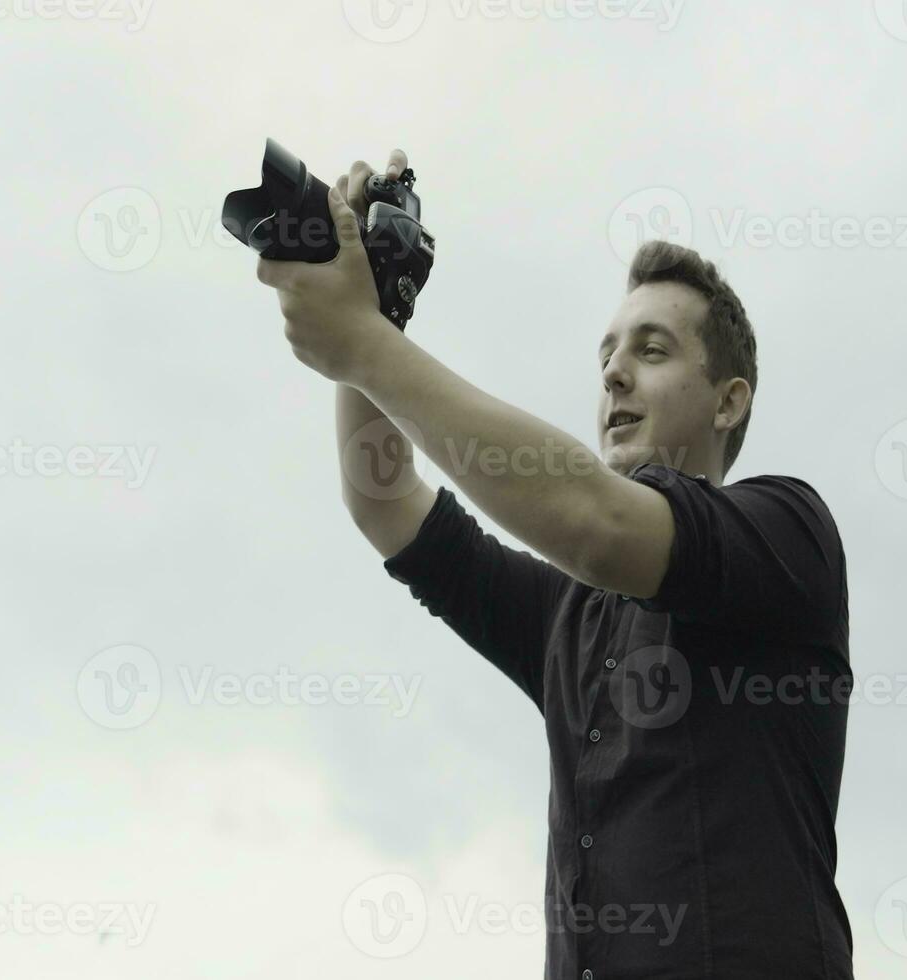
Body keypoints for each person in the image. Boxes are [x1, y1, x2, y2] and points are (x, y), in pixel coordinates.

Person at [254, 149, 855, 979]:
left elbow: (595, 523)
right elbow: (384, 504)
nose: (612, 371)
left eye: (652, 349)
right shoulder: (566, 619)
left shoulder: (790, 535)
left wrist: (359, 344)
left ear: (729, 400)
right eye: (607, 352)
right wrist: (380, 306)